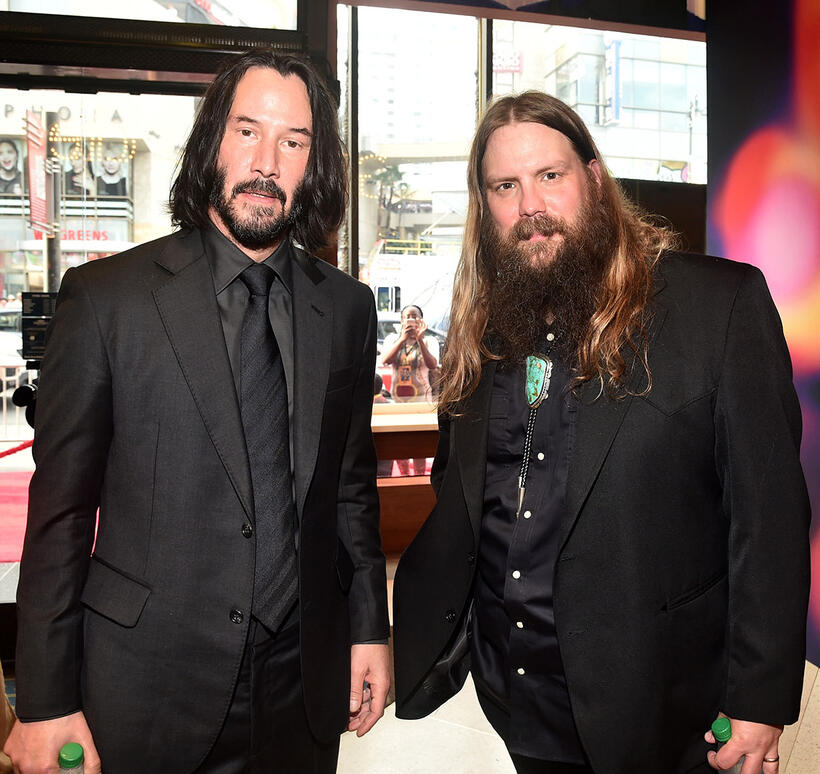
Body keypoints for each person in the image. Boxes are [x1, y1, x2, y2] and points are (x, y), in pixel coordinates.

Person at [392, 91, 811, 774]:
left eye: (549, 176)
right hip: (518, 700)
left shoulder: (716, 307)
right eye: (505, 186)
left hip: (661, 708)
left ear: (592, 177)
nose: (530, 205)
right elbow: (465, 498)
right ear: (485, 205)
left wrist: (760, 698)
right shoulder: (480, 329)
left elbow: (769, 520)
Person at [5, 49, 390, 773]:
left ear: (315, 164)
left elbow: (349, 489)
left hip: (302, 685)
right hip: (148, 685)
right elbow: (60, 517)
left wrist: (370, 627)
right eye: (248, 132)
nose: (267, 163)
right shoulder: (107, 300)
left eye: (294, 142)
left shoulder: (346, 308)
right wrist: (45, 701)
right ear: (213, 140)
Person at [381, 304, 439, 476]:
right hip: (397, 402)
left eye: (415, 316)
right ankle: (404, 478)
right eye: (408, 316)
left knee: (419, 445)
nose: (411, 319)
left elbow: (432, 365)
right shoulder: (392, 339)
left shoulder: (429, 341)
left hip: (421, 401)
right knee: (400, 445)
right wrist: (402, 339)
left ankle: (419, 480)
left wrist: (419, 339)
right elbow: (385, 360)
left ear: (421, 321)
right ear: (401, 320)